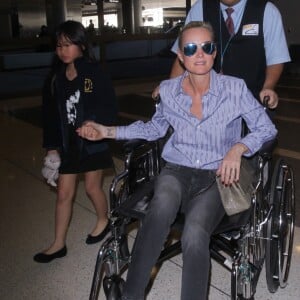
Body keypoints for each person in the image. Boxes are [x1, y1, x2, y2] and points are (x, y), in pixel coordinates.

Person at [77, 21, 277, 299]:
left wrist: (238, 148)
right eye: (191, 48)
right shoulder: (169, 91)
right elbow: (153, 129)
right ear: (181, 56)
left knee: (194, 235)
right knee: (160, 207)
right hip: (176, 171)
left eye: (206, 47)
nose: (199, 54)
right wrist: (107, 131)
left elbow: (266, 128)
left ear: (214, 52)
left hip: (217, 177)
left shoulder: (235, 89)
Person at [34, 20, 118, 263]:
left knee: (92, 188)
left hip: (92, 144)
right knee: (63, 193)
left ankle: (104, 219)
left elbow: (107, 106)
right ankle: (58, 243)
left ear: (81, 45)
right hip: (68, 146)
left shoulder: (93, 73)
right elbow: (49, 117)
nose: (63, 50)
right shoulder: (55, 78)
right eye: (59, 46)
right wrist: (51, 149)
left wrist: (97, 126)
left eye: (68, 45)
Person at [153, 0, 290, 109]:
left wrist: (268, 87)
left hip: (253, 100)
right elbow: (185, 54)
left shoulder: (267, 11)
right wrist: (169, 87)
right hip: (208, 104)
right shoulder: (201, 8)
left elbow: (276, 58)